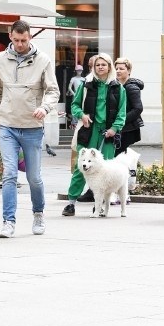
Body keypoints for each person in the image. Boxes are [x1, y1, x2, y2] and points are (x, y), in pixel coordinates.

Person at [0, 20, 59, 238]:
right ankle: (8, 221)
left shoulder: (43, 60)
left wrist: (44, 108)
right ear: (10, 36)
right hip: (8, 125)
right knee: (9, 174)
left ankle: (38, 213)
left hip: (32, 126)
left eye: (24, 40)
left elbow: (53, 90)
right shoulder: (1, 58)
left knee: (34, 178)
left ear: (30, 38)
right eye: (16, 40)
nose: (20, 44)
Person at [63, 53, 127, 217]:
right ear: (93, 67)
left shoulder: (118, 87)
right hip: (88, 131)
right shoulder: (86, 84)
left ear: (109, 67)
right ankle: (71, 203)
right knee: (81, 169)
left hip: (107, 133)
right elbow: (75, 105)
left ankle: (99, 206)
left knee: (104, 170)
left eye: (103, 64)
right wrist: (82, 116)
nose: (100, 67)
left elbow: (122, 112)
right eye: (97, 65)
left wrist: (114, 128)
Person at [115, 57, 144, 153]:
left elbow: (138, 108)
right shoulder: (119, 86)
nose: (118, 71)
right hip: (122, 127)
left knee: (119, 155)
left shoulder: (131, 87)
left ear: (129, 71)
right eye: (117, 69)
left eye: (121, 69)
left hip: (128, 128)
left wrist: (122, 120)